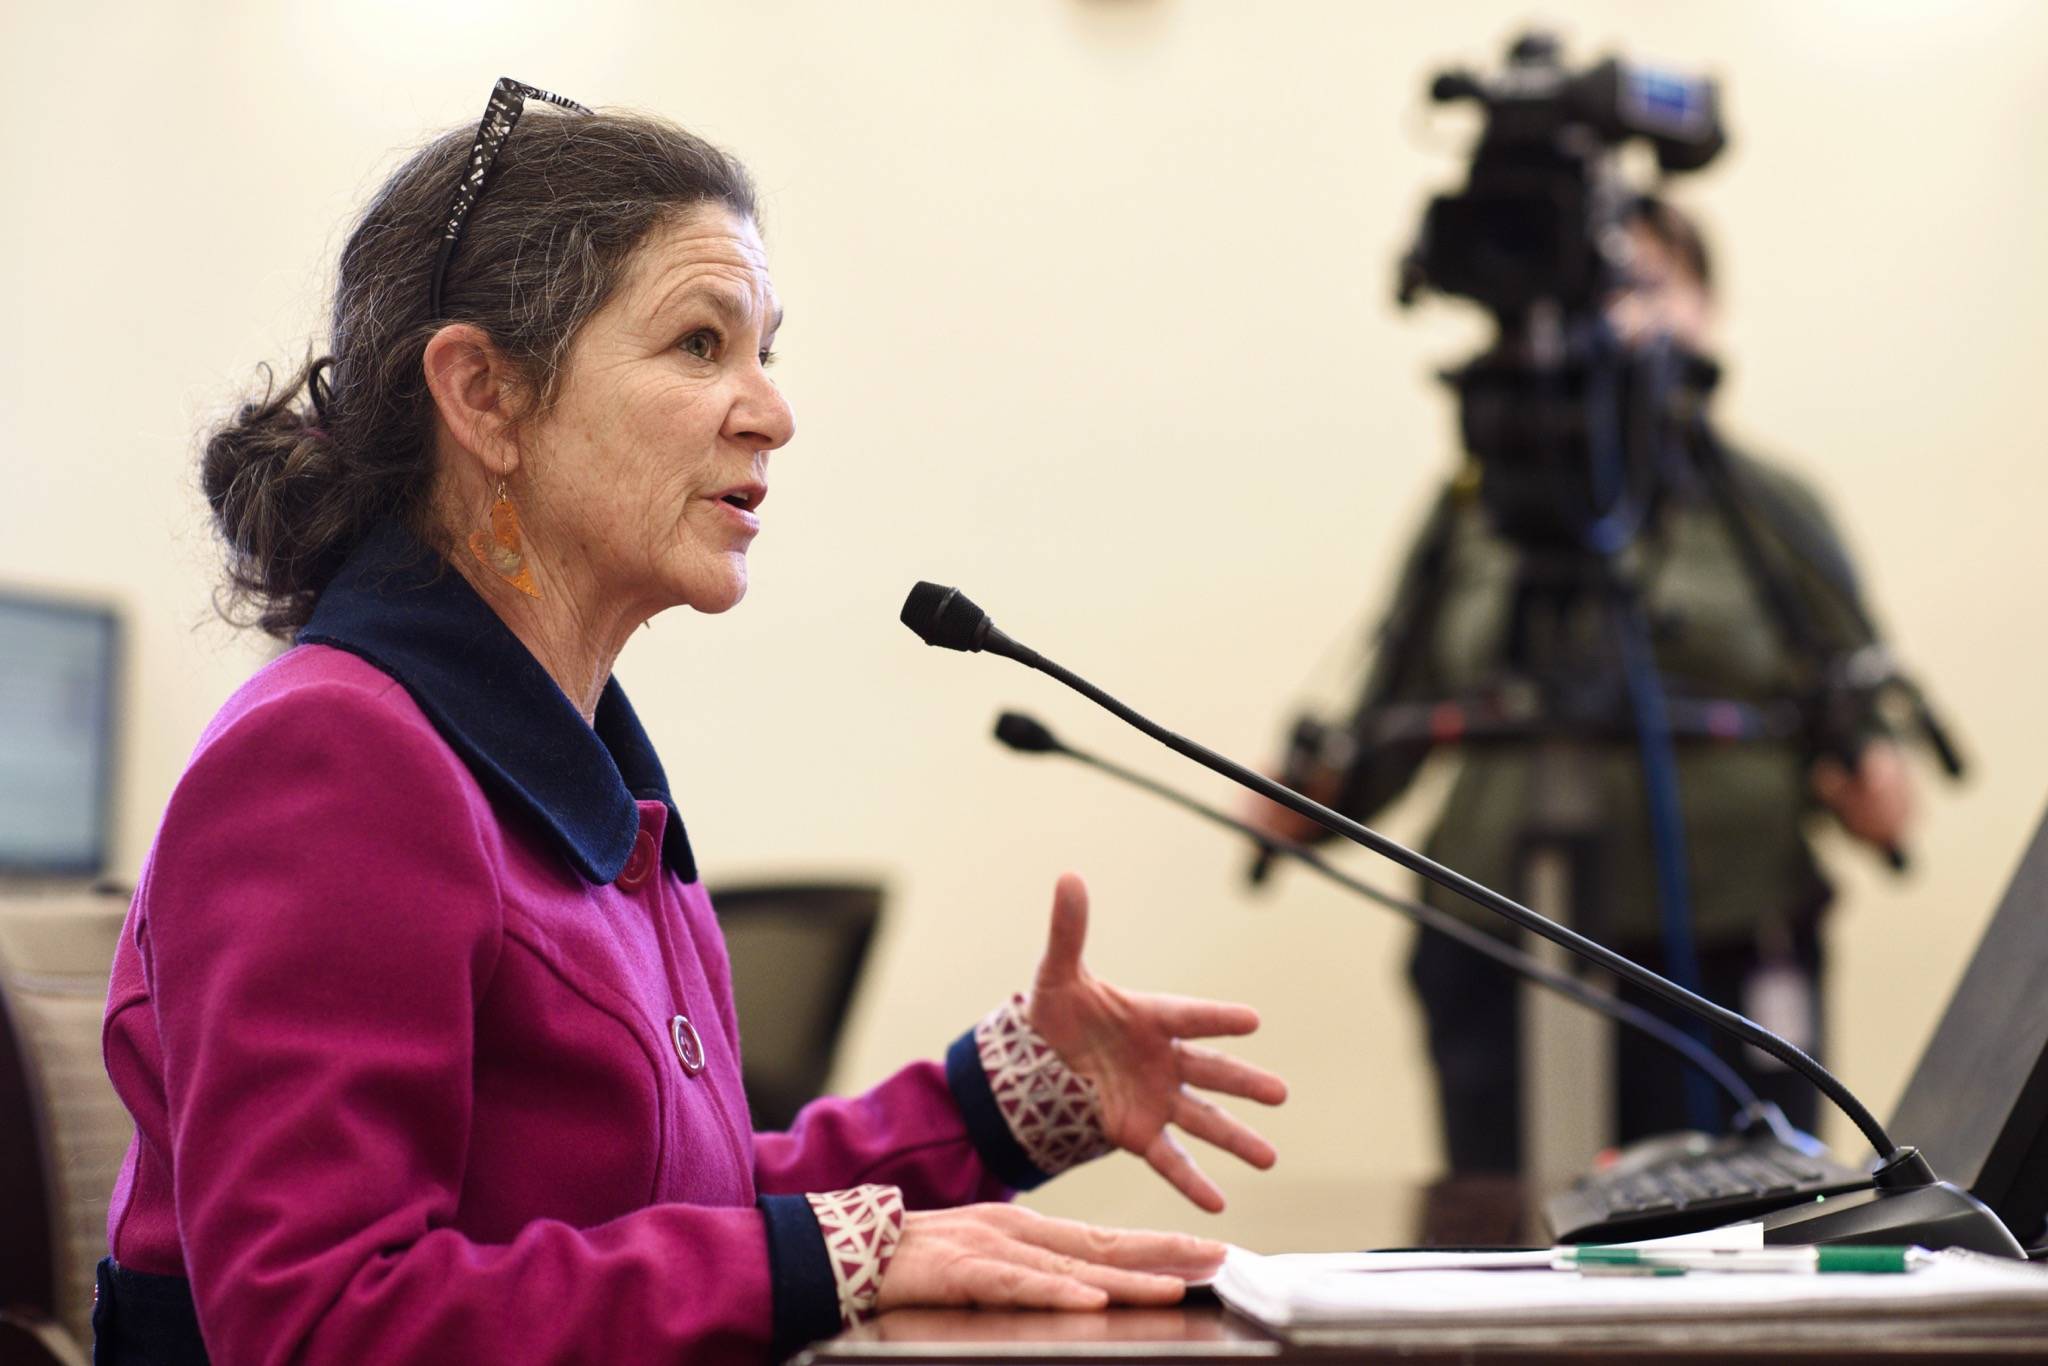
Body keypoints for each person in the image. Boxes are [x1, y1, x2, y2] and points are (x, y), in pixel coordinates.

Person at [94, 81, 1288, 1364]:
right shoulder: (331, 761)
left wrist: (995, 1103)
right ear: (484, 393)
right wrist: (842, 1261)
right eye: (700, 345)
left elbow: (671, 1207)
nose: (771, 410)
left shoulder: (555, 752)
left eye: (766, 349)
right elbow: (323, 1320)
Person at [1253, 196, 1912, 1173]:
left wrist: (1872, 786)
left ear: (1706, 305)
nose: (1615, 316)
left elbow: (1872, 742)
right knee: (1506, 1240)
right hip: (1499, 947)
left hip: (1730, 952)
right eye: (1593, 288)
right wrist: (1300, 792)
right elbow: (1387, 705)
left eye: (1644, 285)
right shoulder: (1477, 511)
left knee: (1743, 1249)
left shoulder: (1766, 508)